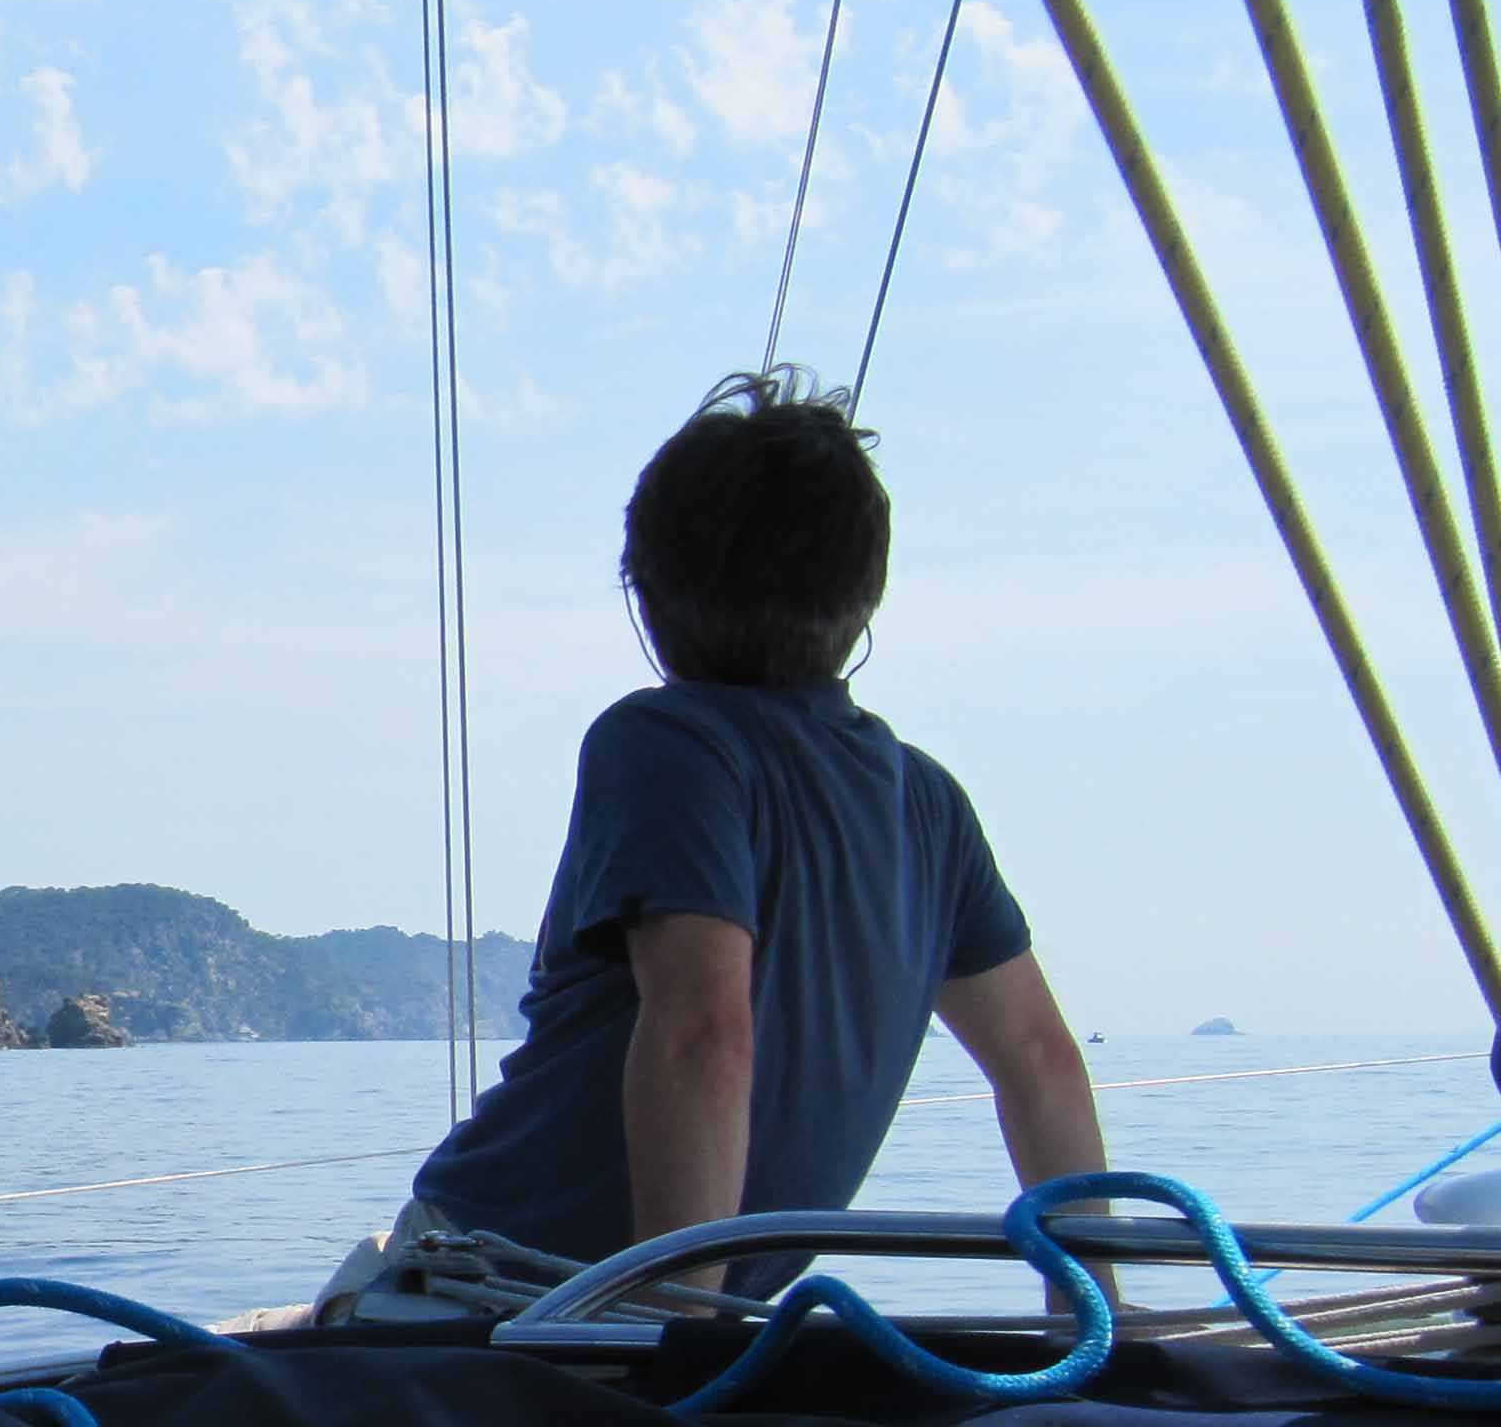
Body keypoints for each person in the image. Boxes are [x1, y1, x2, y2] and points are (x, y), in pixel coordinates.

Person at [393, 366, 1103, 1302]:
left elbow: (703, 1033)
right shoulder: (926, 803)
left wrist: (669, 1326)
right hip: (637, 1305)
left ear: (646, 593)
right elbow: (1041, 1061)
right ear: (865, 598)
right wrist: (1094, 1311)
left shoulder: (666, 744)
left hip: (506, 1279)